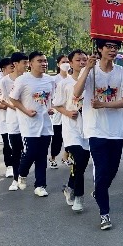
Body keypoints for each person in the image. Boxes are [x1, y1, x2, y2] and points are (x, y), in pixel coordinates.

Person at [74, 38, 123, 231]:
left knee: (112, 170)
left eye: (115, 47)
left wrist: (103, 104)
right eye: (109, 47)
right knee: (101, 168)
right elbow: (76, 92)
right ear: (99, 49)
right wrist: (87, 69)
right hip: (95, 129)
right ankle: (104, 214)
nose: (112, 50)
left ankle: (99, 191)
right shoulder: (90, 70)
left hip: (116, 130)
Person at [9, 51, 55, 197]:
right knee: (30, 152)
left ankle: (40, 185)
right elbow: (13, 99)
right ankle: (22, 173)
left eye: (45, 61)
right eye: (40, 61)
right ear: (31, 63)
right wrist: (26, 111)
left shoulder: (50, 80)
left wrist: (51, 108)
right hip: (29, 124)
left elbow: (51, 99)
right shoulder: (22, 80)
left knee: (42, 155)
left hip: (45, 124)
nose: (44, 63)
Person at [53, 50, 90, 214]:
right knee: (79, 158)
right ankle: (79, 197)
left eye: (84, 60)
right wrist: (67, 113)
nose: (82, 62)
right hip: (71, 128)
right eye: (78, 60)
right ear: (70, 63)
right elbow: (57, 104)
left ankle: (70, 187)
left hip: (88, 127)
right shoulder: (65, 83)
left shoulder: (91, 82)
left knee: (81, 163)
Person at [0, 52, 29, 190]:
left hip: (28, 119)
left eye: (27, 62)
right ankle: (16, 179)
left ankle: (25, 176)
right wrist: (18, 107)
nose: (27, 65)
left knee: (28, 151)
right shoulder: (5, 81)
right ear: (15, 64)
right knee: (16, 150)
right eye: (24, 62)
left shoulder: (28, 78)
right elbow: (6, 100)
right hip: (13, 120)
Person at [48, 54, 70, 169]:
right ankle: (52, 158)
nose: (66, 64)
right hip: (57, 112)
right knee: (57, 137)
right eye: (63, 62)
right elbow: (50, 96)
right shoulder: (54, 80)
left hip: (69, 111)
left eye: (67, 62)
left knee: (69, 136)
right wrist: (52, 107)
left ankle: (65, 157)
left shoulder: (72, 79)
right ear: (58, 64)